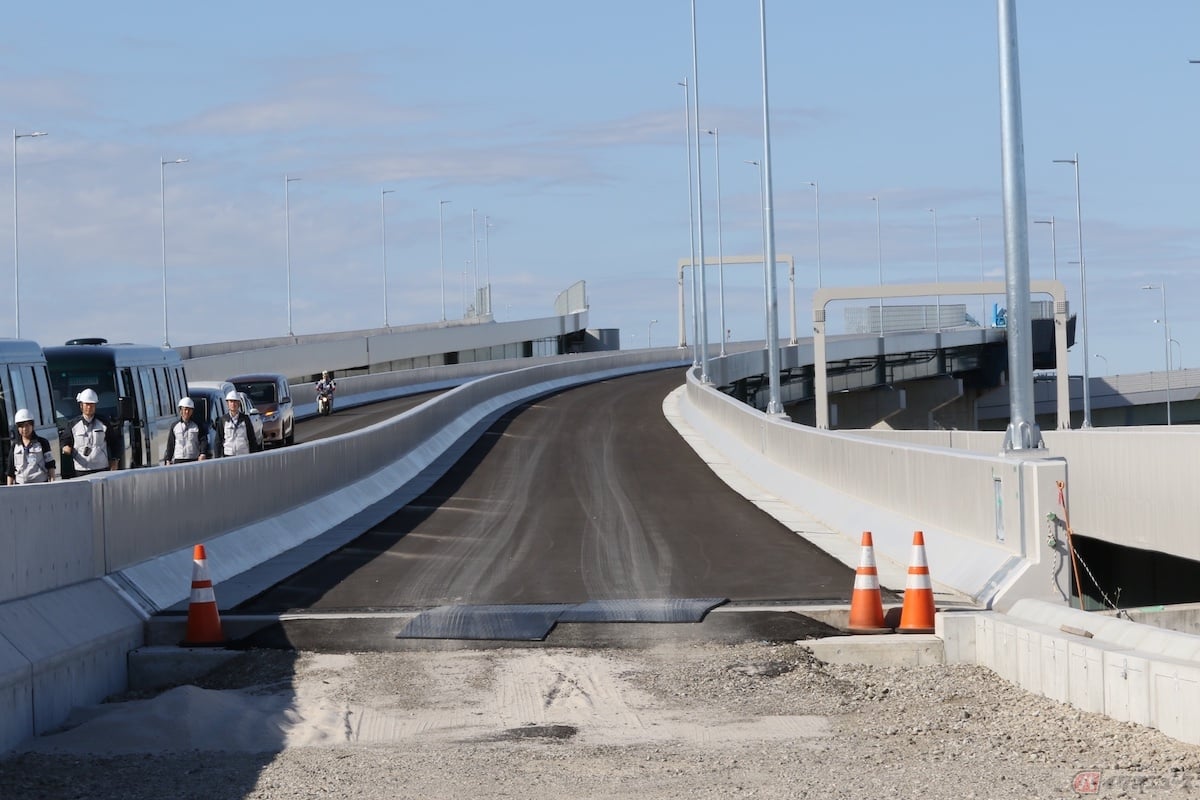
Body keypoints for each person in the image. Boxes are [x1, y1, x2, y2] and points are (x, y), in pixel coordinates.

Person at [61, 388, 121, 477]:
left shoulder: (104, 423)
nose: (89, 407)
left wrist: (115, 461)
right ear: (81, 405)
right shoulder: (72, 424)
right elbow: (65, 440)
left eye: (92, 404)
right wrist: (66, 448)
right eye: (87, 404)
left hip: (101, 468)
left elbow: (114, 443)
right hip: (81, 470)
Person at [6, 408, 56, 485]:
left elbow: (50, 465)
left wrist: (53, 483)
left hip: (40, 484)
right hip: (20, 485)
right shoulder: (15, 446)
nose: (24, 429)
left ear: (32, 425)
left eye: (27, 425)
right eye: (21, 426)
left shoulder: (43, 443)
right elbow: (10, 470)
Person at [163, 397, 211, 464]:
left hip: (193, 459)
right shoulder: (175, 426)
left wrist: (203, 453)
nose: (187, 412)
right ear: (180, 410)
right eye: (185, 409)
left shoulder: (198, 426)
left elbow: (203, 440)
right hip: (178, 459)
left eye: (189, 410)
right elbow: (171, 444)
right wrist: (168, 459)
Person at [214, 391, 262, 457]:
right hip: (228, 455)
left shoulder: (245, 419)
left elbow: (252, 439)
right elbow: (218, 441)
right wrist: (217, 457)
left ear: (239, 403)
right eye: (231, 401)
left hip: (243, 455)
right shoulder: (223, 420)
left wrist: (253, 455)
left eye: (235, 401)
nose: (233, 404)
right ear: (227, 403)